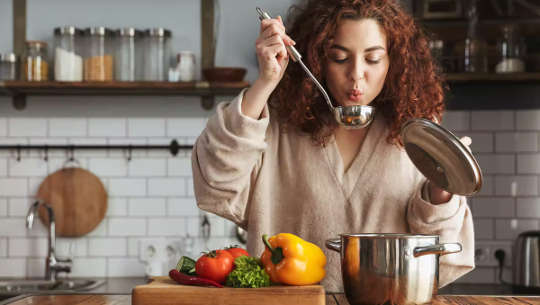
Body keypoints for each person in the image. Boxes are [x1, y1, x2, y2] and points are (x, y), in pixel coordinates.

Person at [192, 0, 474, 292]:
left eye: (373, 59)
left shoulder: (416, 136)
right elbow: (216, 181)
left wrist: (441, 190)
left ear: (395, 62)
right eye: (339, 58)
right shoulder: (277, 127)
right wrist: (265, 82)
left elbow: (442, 251)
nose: (356, 74)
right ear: (316, 60)